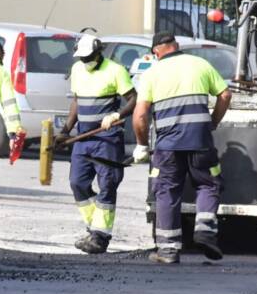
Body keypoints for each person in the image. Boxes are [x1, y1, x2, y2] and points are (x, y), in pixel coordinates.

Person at [132, 32, 232, 264]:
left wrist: (141, 145)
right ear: (176, 46)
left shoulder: (151, 74)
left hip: (168, 146)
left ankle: (168, 251)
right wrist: (213, 122)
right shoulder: (200, 64)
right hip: (200, 141)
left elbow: (139, 116)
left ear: (156, 51)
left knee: (167, 190)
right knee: (208, 183)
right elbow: (225, 94)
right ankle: (205, 231)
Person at [59, 32, 136, 254]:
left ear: (98, 52)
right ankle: (95, 228)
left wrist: (117, 114)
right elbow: (76, 102)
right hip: (83, 138)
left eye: (89, 57)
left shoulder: (115, 70)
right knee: (77, 183)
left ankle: (100, 237)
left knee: (108, 184)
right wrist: (65, 130)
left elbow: (134, 98)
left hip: (107, 139)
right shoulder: (77, 70)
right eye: (82, 58)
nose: (85, 61)